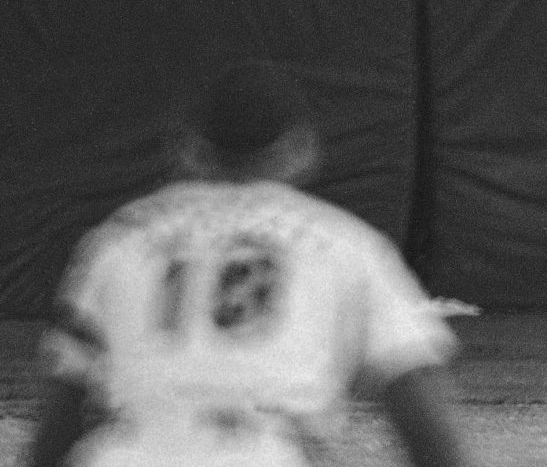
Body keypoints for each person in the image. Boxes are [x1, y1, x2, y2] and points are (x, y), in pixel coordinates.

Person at [27, 58, 478, 467]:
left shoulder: (120, 238)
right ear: (301, 149)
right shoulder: (345, 242)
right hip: (263, 450)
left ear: (188, 148)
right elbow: (424, 415)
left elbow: (62, 415)